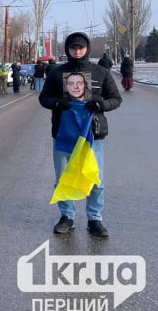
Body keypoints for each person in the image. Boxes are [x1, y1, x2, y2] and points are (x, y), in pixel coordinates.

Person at [39, 32, 122, 237]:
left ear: (86, 48)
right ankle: (67, 216)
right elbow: (44, 98)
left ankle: (94, 219)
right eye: (73, 47)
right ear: (68, 49)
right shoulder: (57, 73)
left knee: (95, 179)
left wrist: (101, 104)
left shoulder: (101, 72)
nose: (77, 51)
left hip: (91, 136)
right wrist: (57, 102)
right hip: (63, 135)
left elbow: (116, 99)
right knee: (63, 179)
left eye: (81, 47)